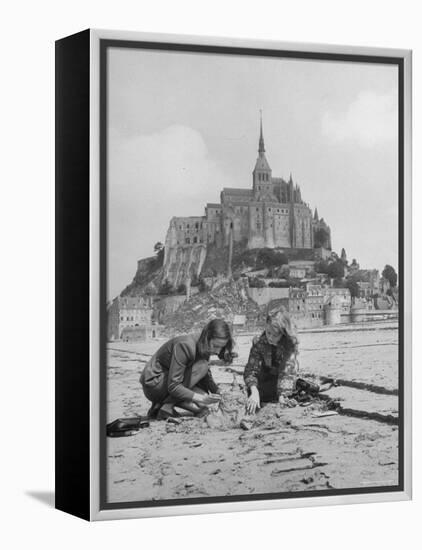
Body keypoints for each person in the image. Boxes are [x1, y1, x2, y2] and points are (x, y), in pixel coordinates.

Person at [140, 318, 235, 420]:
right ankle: (167, 407)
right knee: (202, 369)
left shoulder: (203, 344)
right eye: (215, 346)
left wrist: (218, 391)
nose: (217, 351)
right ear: (207, 337)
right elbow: (174, 386)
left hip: (167, 383)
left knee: (204, 406)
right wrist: (202, 398)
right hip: (154, 385)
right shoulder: (185, 345)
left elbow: (205, 376)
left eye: (221, 347)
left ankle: (160, 406)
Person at [244, 308, 299, 415]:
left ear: (283, 334)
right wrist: (254, 391)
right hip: (264, 377)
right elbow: (251, 369)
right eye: (268, 333)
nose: (270, 337)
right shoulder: (259, 343)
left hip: (281, 376)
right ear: (265, 327)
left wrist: (282, 396)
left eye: (275, 335)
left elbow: (287, 369)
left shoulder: (289, 344)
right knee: (256, 393)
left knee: (287, 390)